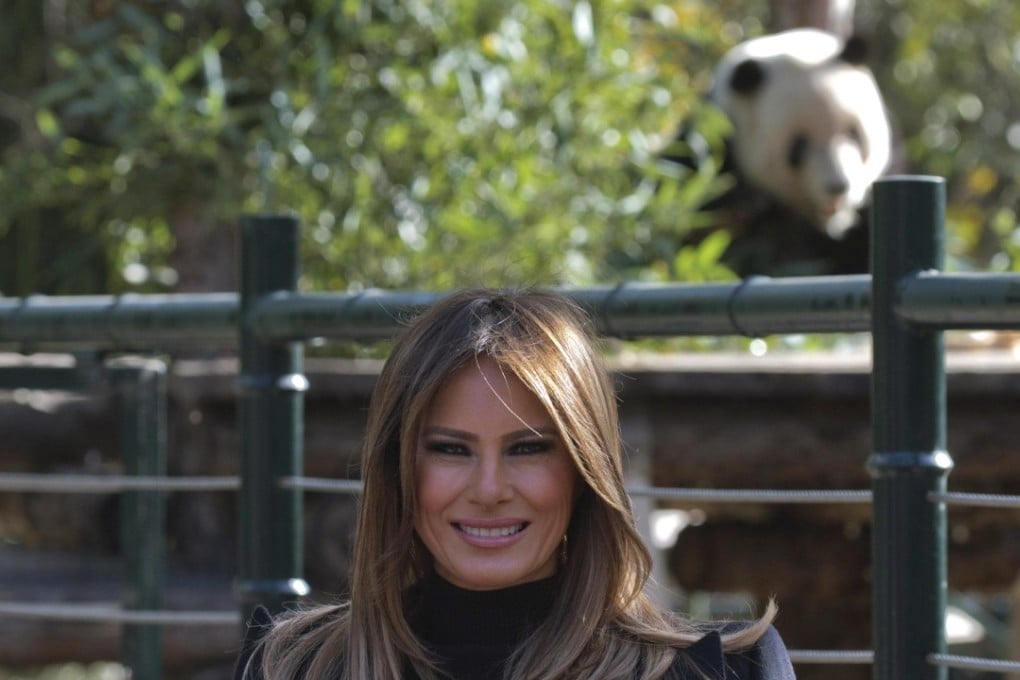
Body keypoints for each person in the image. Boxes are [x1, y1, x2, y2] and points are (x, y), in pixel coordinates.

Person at [235, 288, 795, 679]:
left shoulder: (726, 669)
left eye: (527, 449)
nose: (488, 488)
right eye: (451, 450)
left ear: (584, 468)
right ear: (398, 469)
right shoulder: (288, 666)